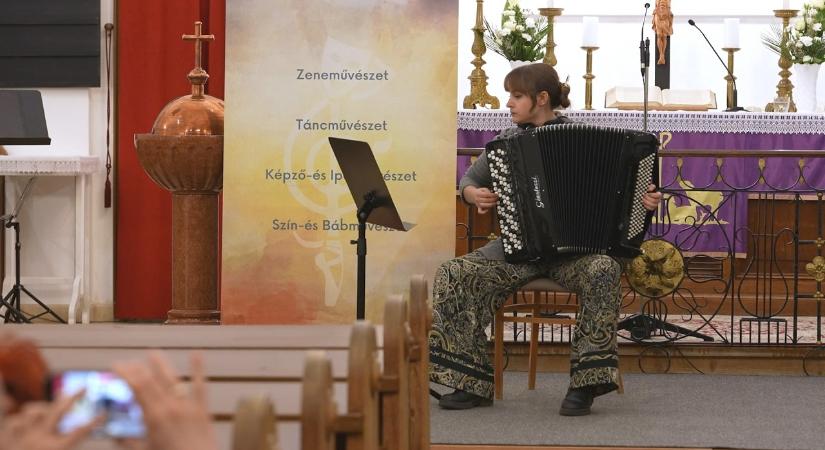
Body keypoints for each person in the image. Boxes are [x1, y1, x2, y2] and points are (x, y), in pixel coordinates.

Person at [428, 63, 662, 416]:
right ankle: (470, 382)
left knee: (602, 269)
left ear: (541, 99)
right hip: (518, 252)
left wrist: (644, 202)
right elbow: (468, 182)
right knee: (454, 273)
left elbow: (633, 198)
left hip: (574, 257)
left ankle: (587, 383)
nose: (509, 103)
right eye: (509, 95)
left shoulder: (584, 138)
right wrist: (475, 195)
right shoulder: (506, 143)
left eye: (516, 96)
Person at [652, 0, 674, 65]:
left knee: (664, 36)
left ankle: (662, 55)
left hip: (666, 13)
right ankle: (661, 55)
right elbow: (656, 4)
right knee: (659, 35)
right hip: (658, 13)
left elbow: (669, 5)